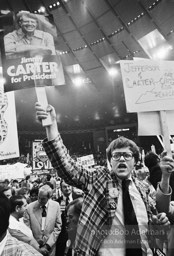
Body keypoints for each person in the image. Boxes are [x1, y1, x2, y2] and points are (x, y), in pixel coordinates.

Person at [35, 102, 170, 256]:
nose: (121, 159)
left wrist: (158, 223)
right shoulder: (98, 179)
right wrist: (51, 127)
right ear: (110, 161)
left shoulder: (143, 189)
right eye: (116, 155)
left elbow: (157, 219)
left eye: (126, 155)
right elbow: (67, 167)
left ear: (135, 160)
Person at [23, 184, 62, 256]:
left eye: (43, 199)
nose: (40, 200)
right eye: (38, 197)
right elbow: (26, 229)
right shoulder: (29, 208)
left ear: (49, 197)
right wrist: (37, 247)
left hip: (50, 248)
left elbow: (58, 228)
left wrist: (48, 245)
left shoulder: (56, 206)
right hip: (34, 248)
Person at [56, 180, 73, 256]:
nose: (67, 188)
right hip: (62, 236)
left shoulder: (78, 200)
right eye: (64, 187)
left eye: (69, 186)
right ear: (61, 188)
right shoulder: (57, 203)